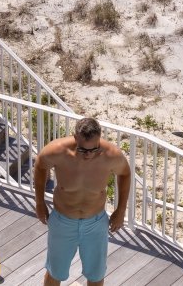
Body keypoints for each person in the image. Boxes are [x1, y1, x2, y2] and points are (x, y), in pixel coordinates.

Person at [34, 117, 131, 286]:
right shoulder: (57, 151)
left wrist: (120, 210)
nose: (88, 155)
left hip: (95, 224)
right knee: (54, 272)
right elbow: (40, 166)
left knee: (96, 276)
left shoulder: (111, 155)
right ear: (75, 137)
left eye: (94, 149)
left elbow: (125, 174)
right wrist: (40, 203)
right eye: (82, 150)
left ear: (99, 138)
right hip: (63, 221)